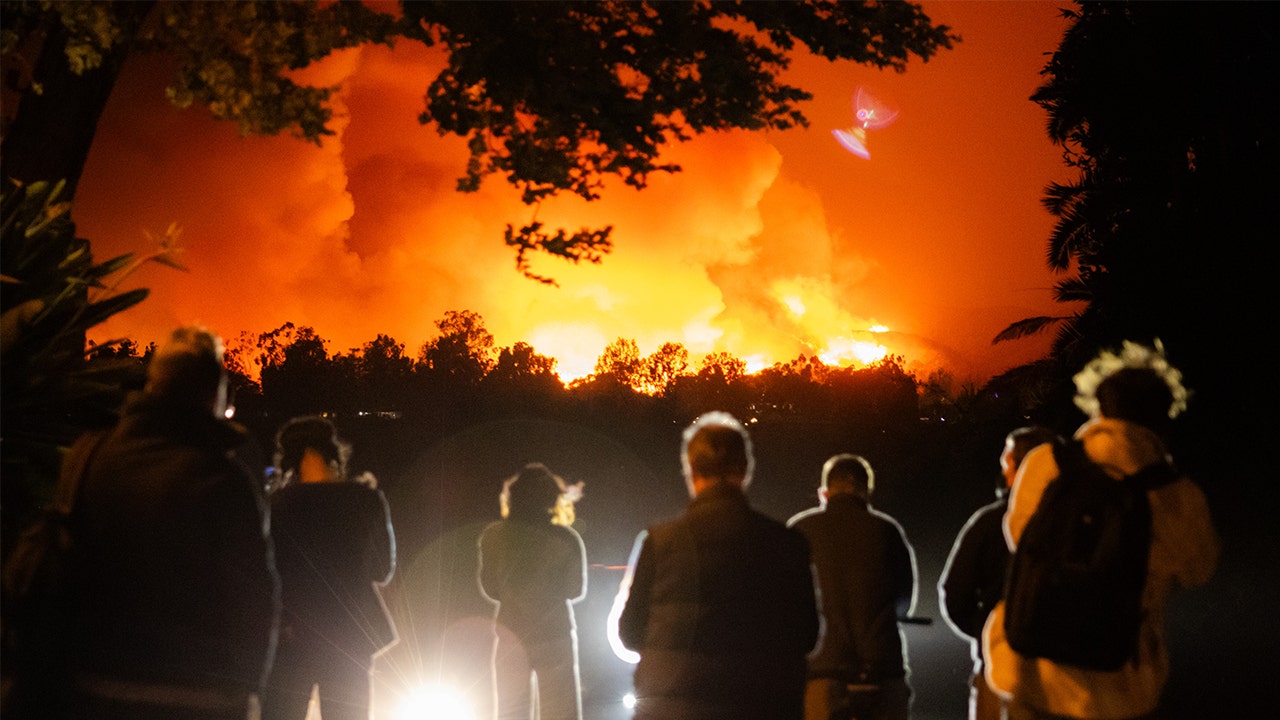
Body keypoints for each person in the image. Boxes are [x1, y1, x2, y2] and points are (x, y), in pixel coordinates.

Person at [982, 340, 1219, 720]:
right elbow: (1198, 569)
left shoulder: (1047, 464)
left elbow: (1018, 536)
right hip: (1119, 686)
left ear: (1098, 407)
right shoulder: (1176, 495)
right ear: (1164, 417)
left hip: (1031, 675)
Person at [66, 326, 279, 719]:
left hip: (98, 689)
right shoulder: (223, 480)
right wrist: (249, 690)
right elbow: (253, 598)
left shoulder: (88, 458)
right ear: (214, 394)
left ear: (152, 385)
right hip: (198, 698)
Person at [610, 412, 819, 720]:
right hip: (761, 707)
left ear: (690, 470)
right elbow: (807, 635)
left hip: (672, 709)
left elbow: (629, 633)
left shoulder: (660, 542)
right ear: (745, 469)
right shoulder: (787, 543)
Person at [260, 416, 397, 720]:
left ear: (288, 460)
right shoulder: (366, 500)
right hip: (349, 634)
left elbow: (265, 575)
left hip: (293, 635)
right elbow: (382, 569)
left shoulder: (276, 505)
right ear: (335, 453)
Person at [939, 426, 1059, 720]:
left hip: (1001, 674)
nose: (1004, 474)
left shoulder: (990, 523)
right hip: (1066, 678)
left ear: (1023, 469)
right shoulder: (1081, 522)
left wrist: (986, 634)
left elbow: (954, 594)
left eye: (1008, 465)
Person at [787, 453, 919, 720]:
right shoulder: (886, 531)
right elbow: (904, 602)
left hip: (820, 675)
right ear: (866, 492)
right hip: (882, 673)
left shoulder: (798, 532)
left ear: (824, 493)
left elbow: (784, 606)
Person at [477, 463, 587, 720]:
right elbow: (575, 589)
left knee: (511, 713)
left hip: (511, 634)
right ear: (552, 499)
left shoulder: (493, 536)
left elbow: (489, 589)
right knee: (561, 713)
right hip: (554, 635)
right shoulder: (567, 539)